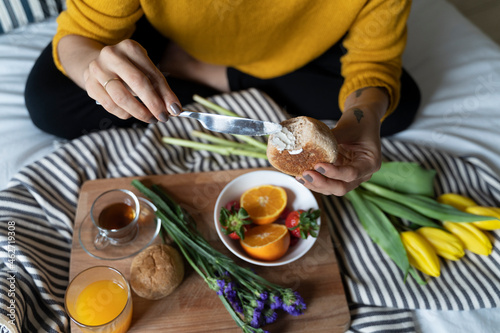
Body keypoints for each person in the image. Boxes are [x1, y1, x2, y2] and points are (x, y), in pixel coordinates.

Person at [24, 0, 420, 197]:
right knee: (48, 100)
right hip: (163, 32)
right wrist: (96, 68)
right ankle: (184, 66)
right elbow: (80, 34)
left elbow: (374, 63)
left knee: (397, 106)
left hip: (296, 49)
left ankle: (192, 71)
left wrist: (363, 117)